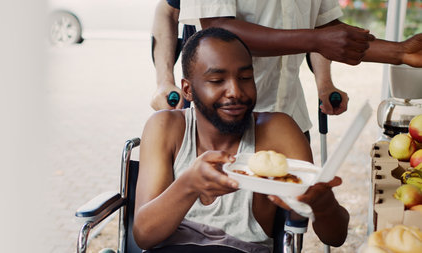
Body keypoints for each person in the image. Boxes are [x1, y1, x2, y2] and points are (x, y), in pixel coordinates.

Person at [133, 27, 349, 252]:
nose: (235, 91)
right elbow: (144, 236)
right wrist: (189, 184)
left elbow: (336, 237)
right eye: (217, 80)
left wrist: (324, 207)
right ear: (187, 89)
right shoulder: (166, 127)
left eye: (245, 78)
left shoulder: (278, 132)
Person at [178, 0, 422, 138]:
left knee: (293, 223)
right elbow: (219, 29)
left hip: (290, 119)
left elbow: (329, 31)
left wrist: (400, 52)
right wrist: (316, 40)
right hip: (225, 122)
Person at [150, 0, 349, 120]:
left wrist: (324, 83)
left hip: (290, 112)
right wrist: (164, 81)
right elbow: (169, 10)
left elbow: (322, 28)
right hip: (220, 113)